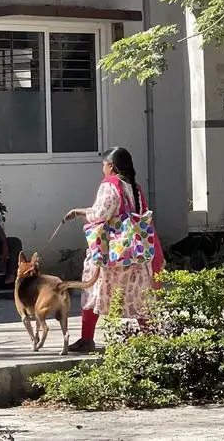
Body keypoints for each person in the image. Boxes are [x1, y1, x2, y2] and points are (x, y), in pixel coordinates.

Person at [61, 146, 165, 353]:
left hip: (112, 252)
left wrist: (79, 212)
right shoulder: (135, 188)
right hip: (136, 252)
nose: (103, 169)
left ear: (111, 166)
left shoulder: (110, 184)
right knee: (138, 296)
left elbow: (101, 213)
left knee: (92, 288)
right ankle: (151, 340)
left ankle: (87, 339)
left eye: (104, 165)